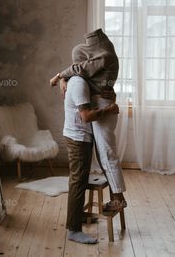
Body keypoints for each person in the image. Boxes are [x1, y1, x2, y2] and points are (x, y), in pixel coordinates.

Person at [50, 28, 126, 211]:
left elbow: (81, 69)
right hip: (101, 105)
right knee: (103, 155)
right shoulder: (95, 68)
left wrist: (60, 75)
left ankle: (118, 198)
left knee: (107, 154)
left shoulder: (105, 56)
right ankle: (117, 196)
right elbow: (81, 72)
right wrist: (64, 78)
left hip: (103, 108)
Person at [63, 62, 119, 244]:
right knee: (78, 181)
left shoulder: (83, 82)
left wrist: (110, 96)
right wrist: (109, 110)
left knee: (80, 179)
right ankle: (73, 229)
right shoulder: (79, 83)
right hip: (77, 137)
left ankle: (78, 217)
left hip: (81, 136)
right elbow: (86, 116)